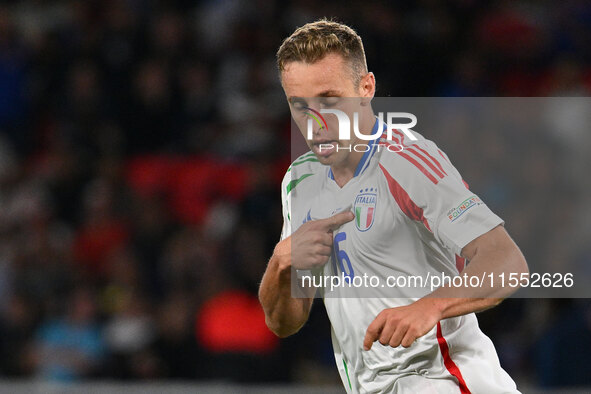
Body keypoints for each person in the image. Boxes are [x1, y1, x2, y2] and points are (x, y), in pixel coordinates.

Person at [259, 19, 528, 393]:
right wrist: (281, 261)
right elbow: (284, 322)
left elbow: (507, 261)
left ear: (366, 87)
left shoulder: (406, 160)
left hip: (444, 381)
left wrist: (429, 308)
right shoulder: (300, 181)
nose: (315, 122)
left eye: (329, 100)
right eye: (300, 106)